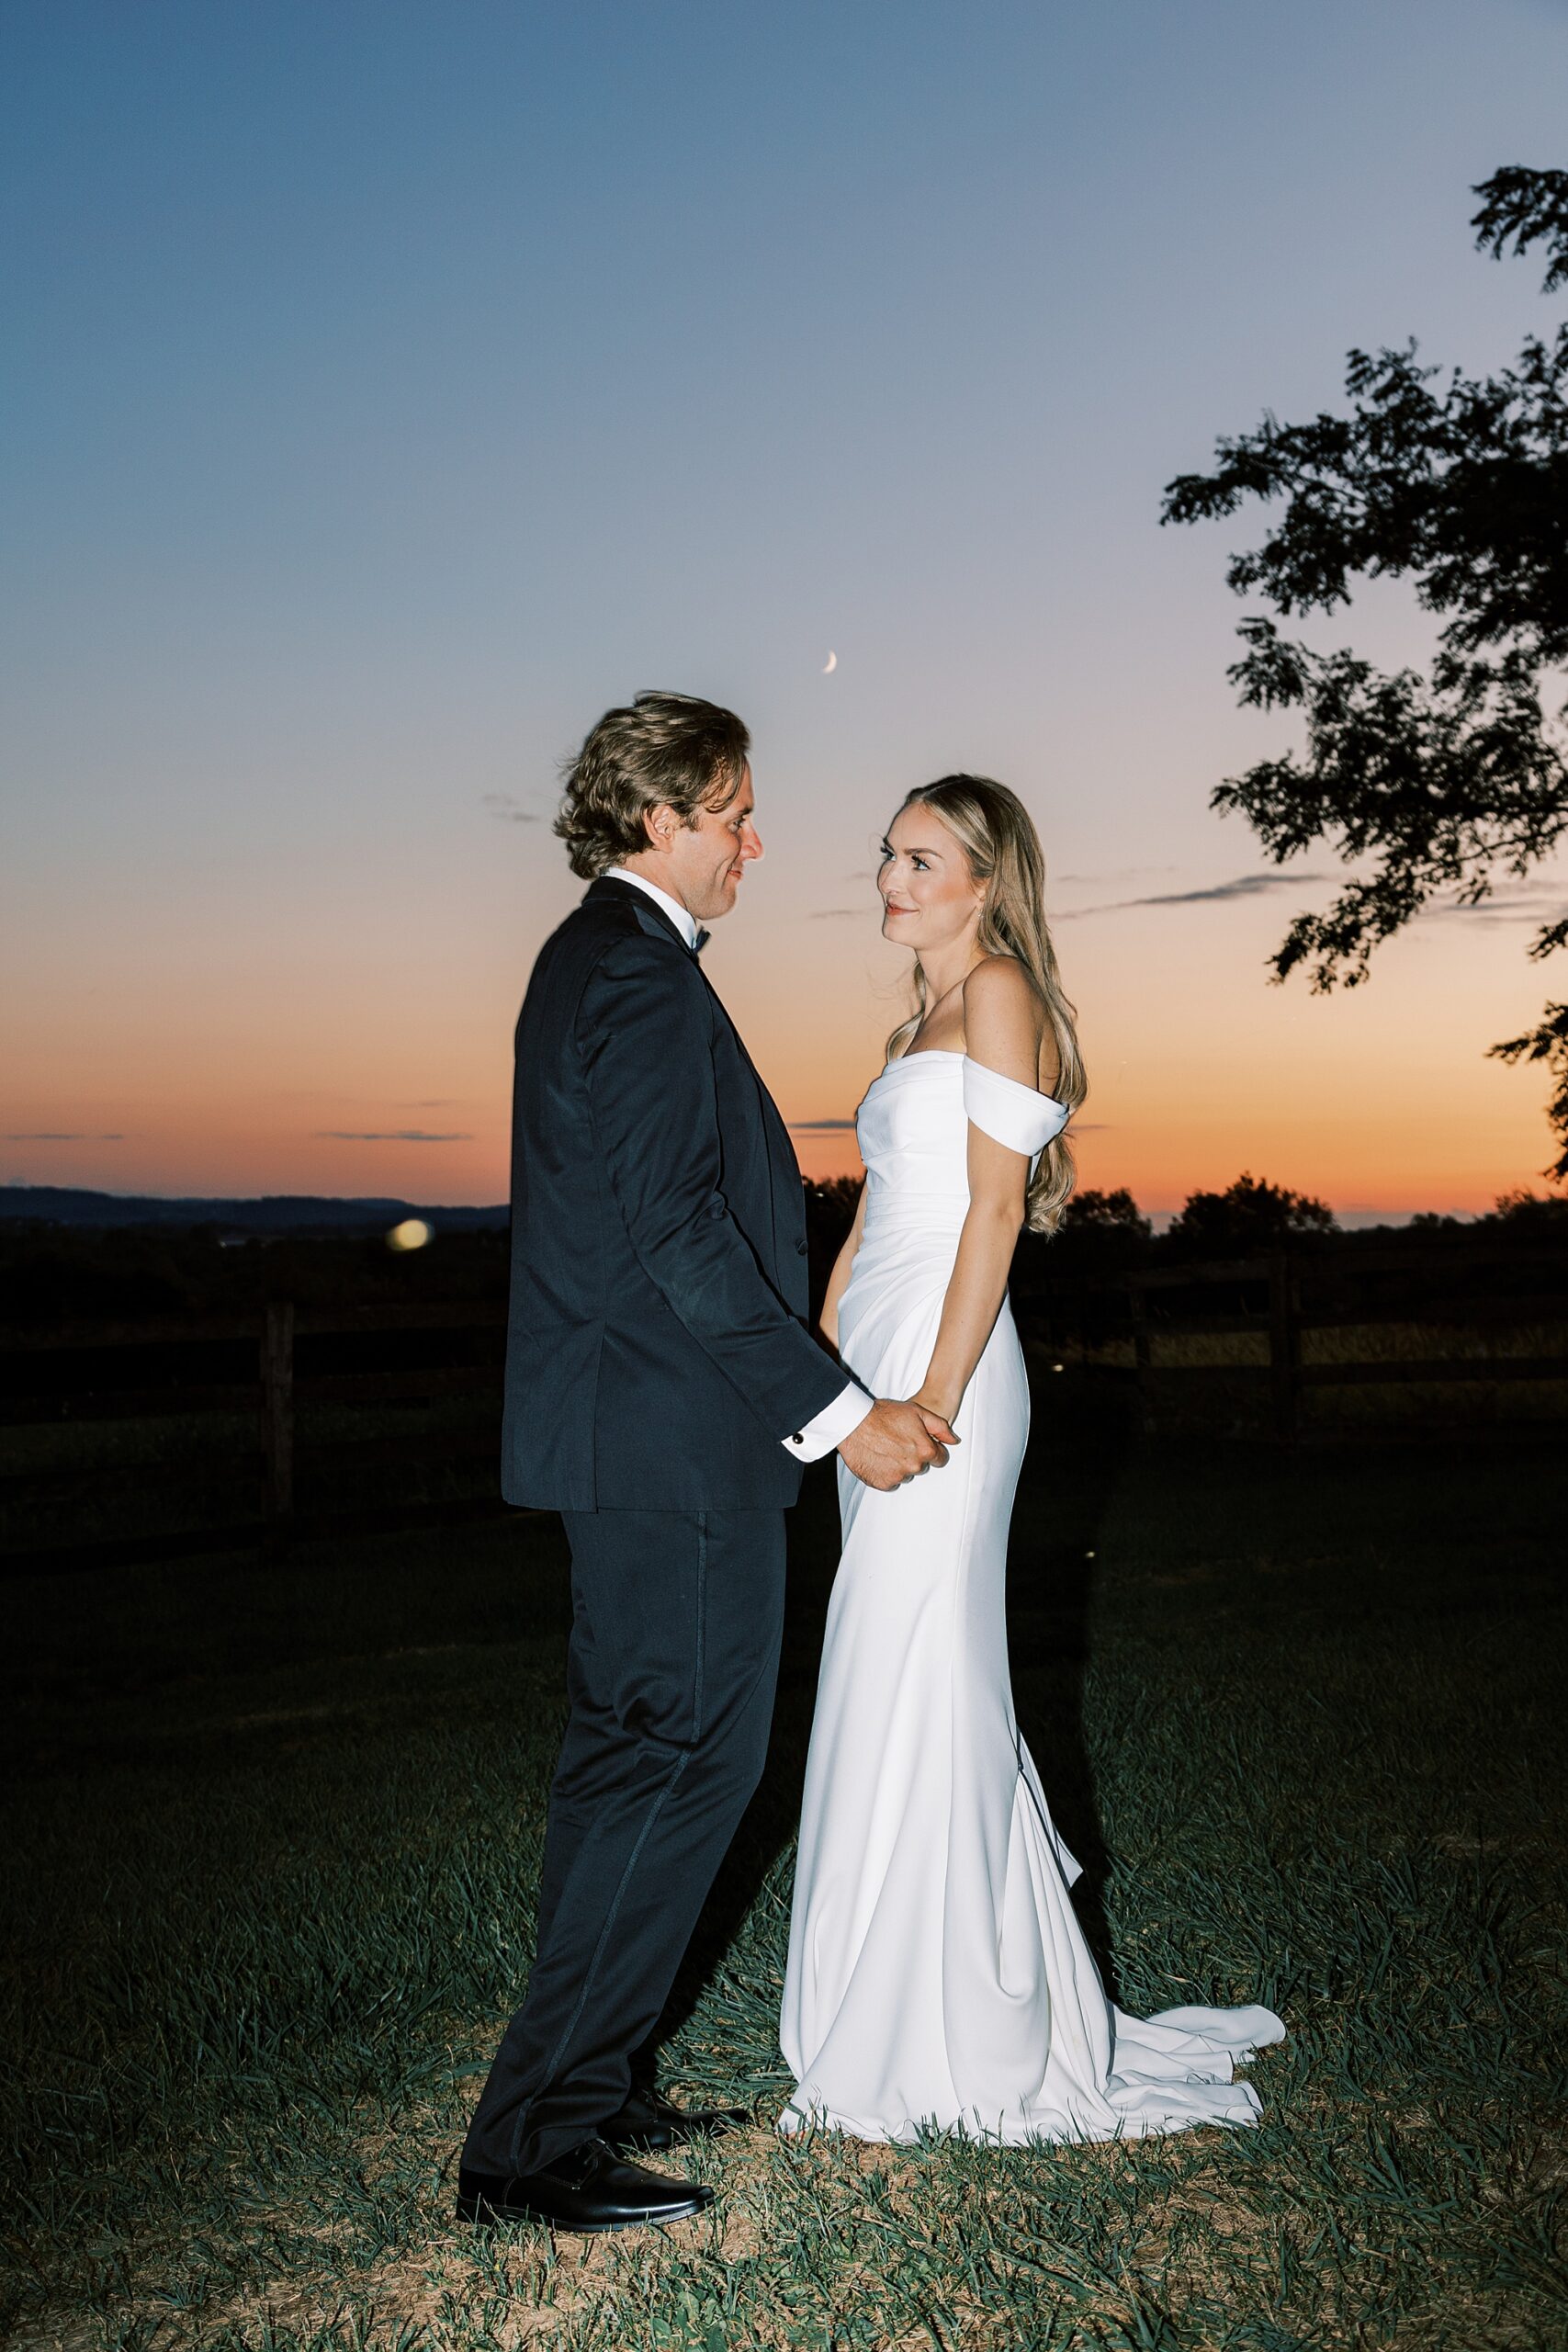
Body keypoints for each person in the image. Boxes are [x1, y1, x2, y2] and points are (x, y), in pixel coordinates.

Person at [457, 693, 959, 2234]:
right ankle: (532, 2144)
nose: (756, 838)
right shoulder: (636, 973)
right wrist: (836, 1413)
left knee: (633, 1756)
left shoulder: (594, 962)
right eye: (734, 810)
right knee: (685, 1757)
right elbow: (679, 1232)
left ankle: (593, 2088)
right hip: (670, 1442)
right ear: (659, 816)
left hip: (632, 1437)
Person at [780, 775, 1285, 2143]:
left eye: (922, 857)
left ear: (987, 881)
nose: (891, 876)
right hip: (874, 1367)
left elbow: (993, 1212)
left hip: (946, 1377)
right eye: (885, 851)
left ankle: (956, 2014)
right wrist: (811, 1364)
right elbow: (873, 1217)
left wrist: (932, 1398)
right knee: (883, 1657)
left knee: (923, 1658)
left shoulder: (999, 991)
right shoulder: (914, 1020)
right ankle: (890, 1986)